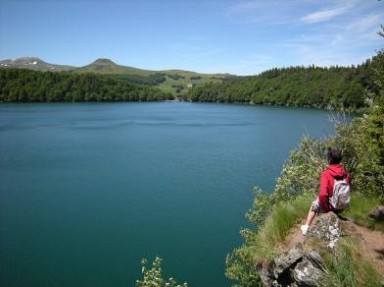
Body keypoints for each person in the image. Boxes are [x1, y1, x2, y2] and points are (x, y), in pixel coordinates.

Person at [301, 148, 350, 235]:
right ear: (340, 160)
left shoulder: (326, 174)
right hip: (343, 205)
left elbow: (323, 195)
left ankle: (306, 227)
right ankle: (336, 214)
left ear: (329, 159)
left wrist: (327, 209)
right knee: (322, 199)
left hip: (331, 207)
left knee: (315, 203)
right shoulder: (345, 173)